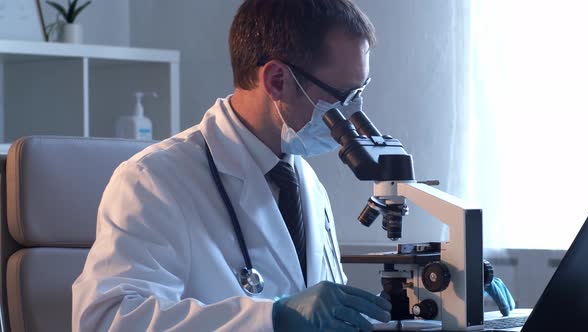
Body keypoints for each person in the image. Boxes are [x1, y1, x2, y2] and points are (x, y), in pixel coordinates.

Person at [72, 1, 391, 331]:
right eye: (342, 96)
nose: (352, 113)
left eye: (359, 92)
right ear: (278, 80)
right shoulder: (153, 180)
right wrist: (269, 318)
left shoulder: (304, 181)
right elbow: (109, 321)